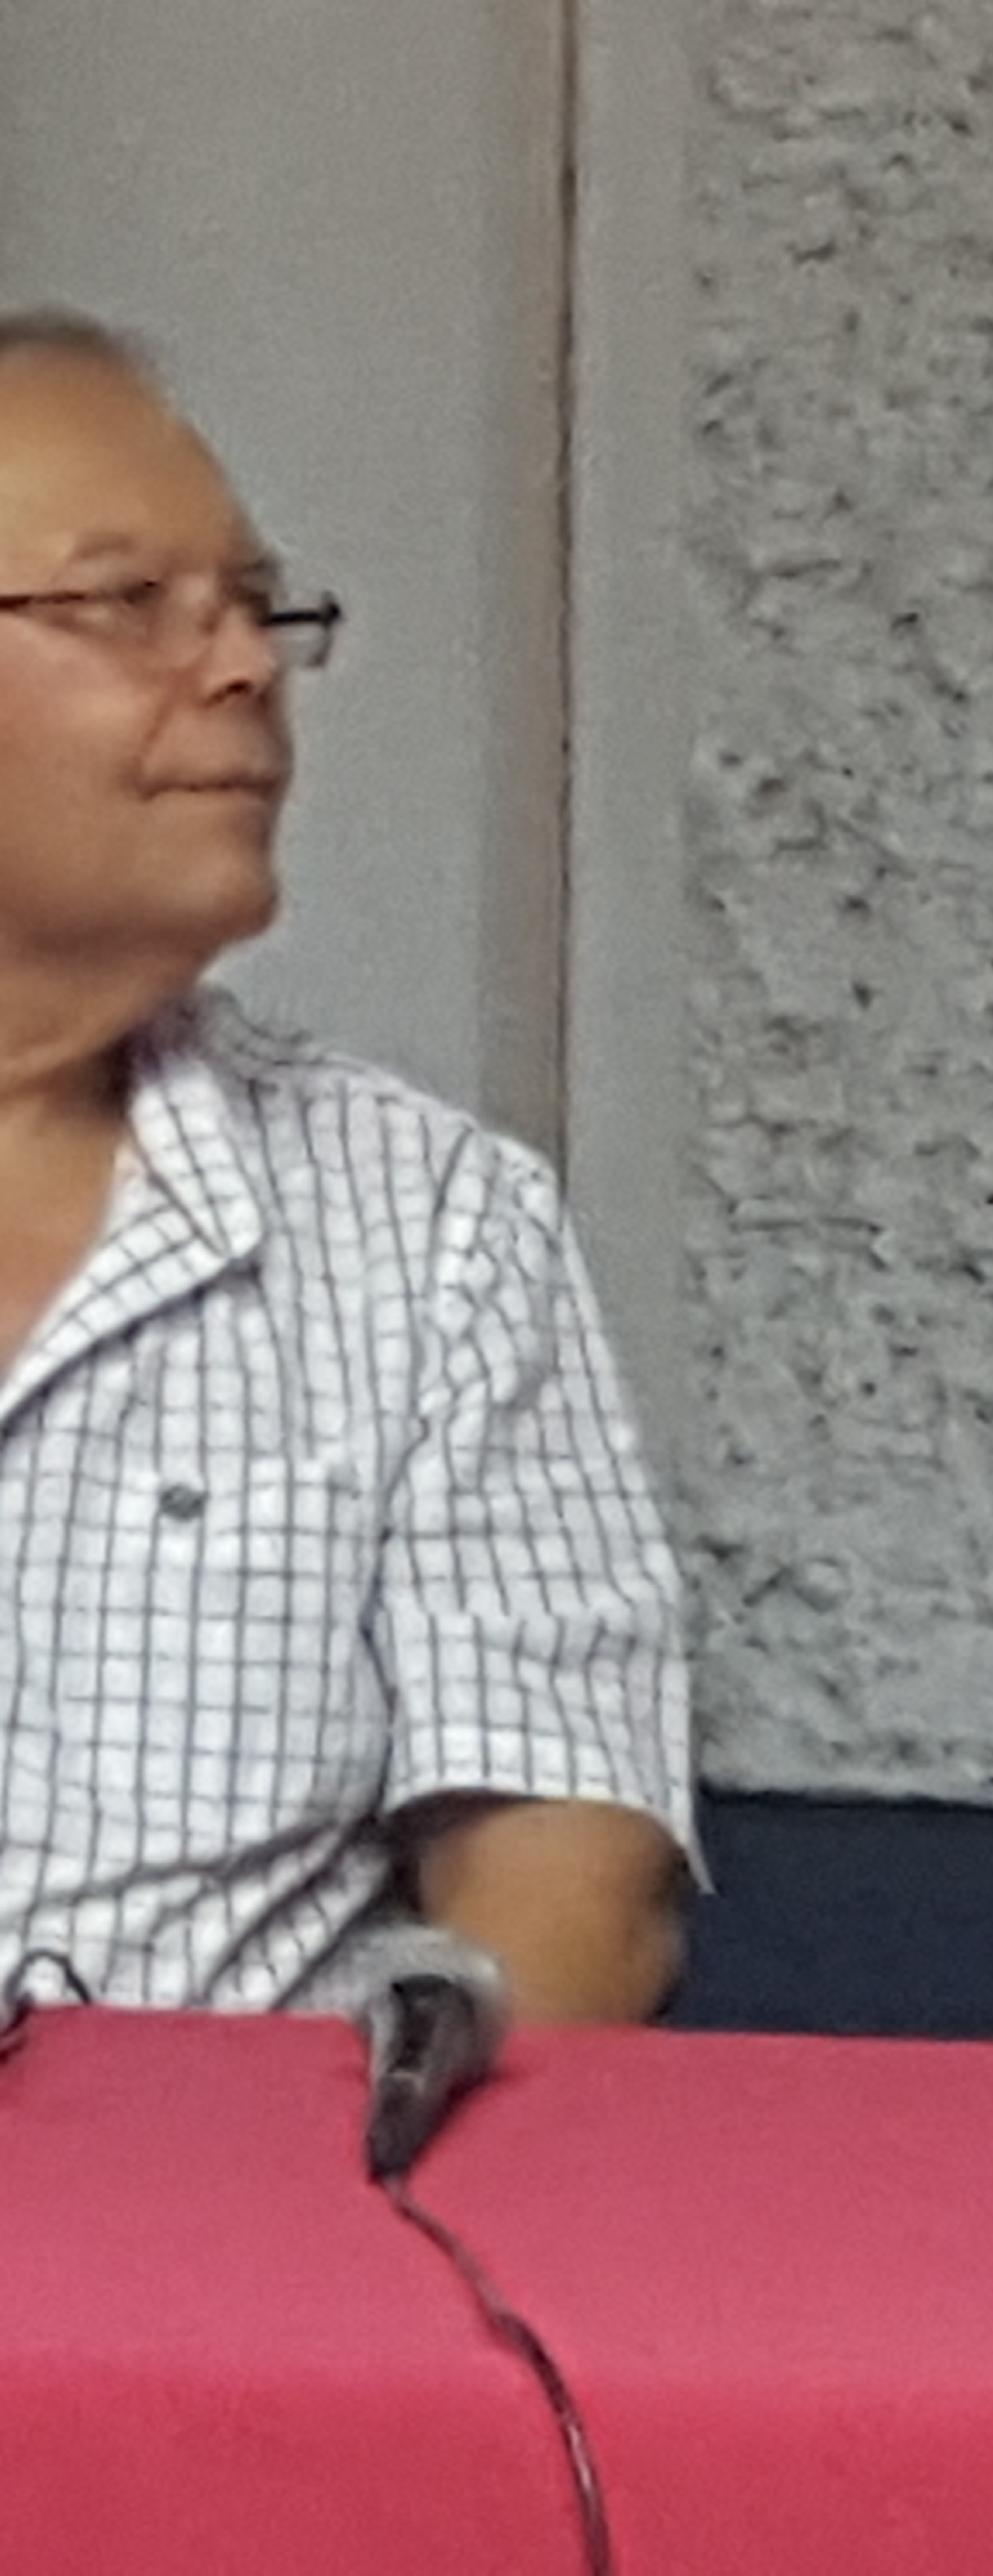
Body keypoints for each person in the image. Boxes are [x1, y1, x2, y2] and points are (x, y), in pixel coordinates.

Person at [0, 312, 691, 2020]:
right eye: (128, 602)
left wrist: (363, 2147)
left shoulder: (426, 1219)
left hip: (239, 2174)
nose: (243, 665)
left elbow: (570, 1871)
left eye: (255, 605)